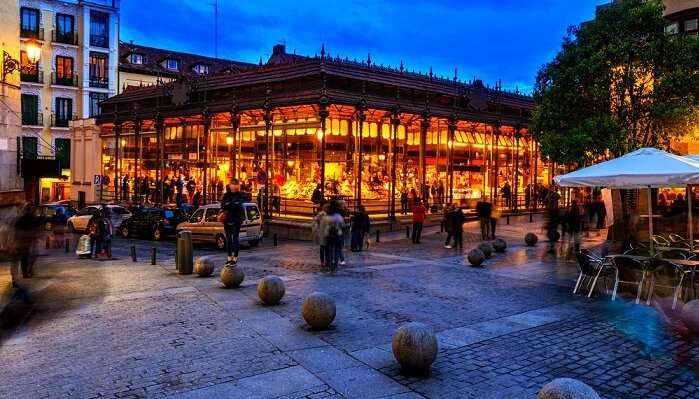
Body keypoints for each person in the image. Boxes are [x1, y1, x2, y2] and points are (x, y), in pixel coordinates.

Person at [221, 179, 246, 265]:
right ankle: (229, 257)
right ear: (230, 185)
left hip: (236, 220)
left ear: (238, 186)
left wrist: (230, 205)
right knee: (228, 239)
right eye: (232, 184)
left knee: (235, 238)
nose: (234, 186)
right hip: (227, 219)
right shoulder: (226, 195)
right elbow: (223, 206)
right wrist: (232, 205)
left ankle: (235, 258)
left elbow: (238, 205)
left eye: (236, 184)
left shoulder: (240, 195)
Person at [323, 200, 345, 271]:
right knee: (337, 249)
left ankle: (330, 263)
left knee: (330, 249)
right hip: (338, 234)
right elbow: (342, 225)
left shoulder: (327, 216)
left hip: (329, 235)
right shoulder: (338, 216)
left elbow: (324, 225)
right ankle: (335, 264)